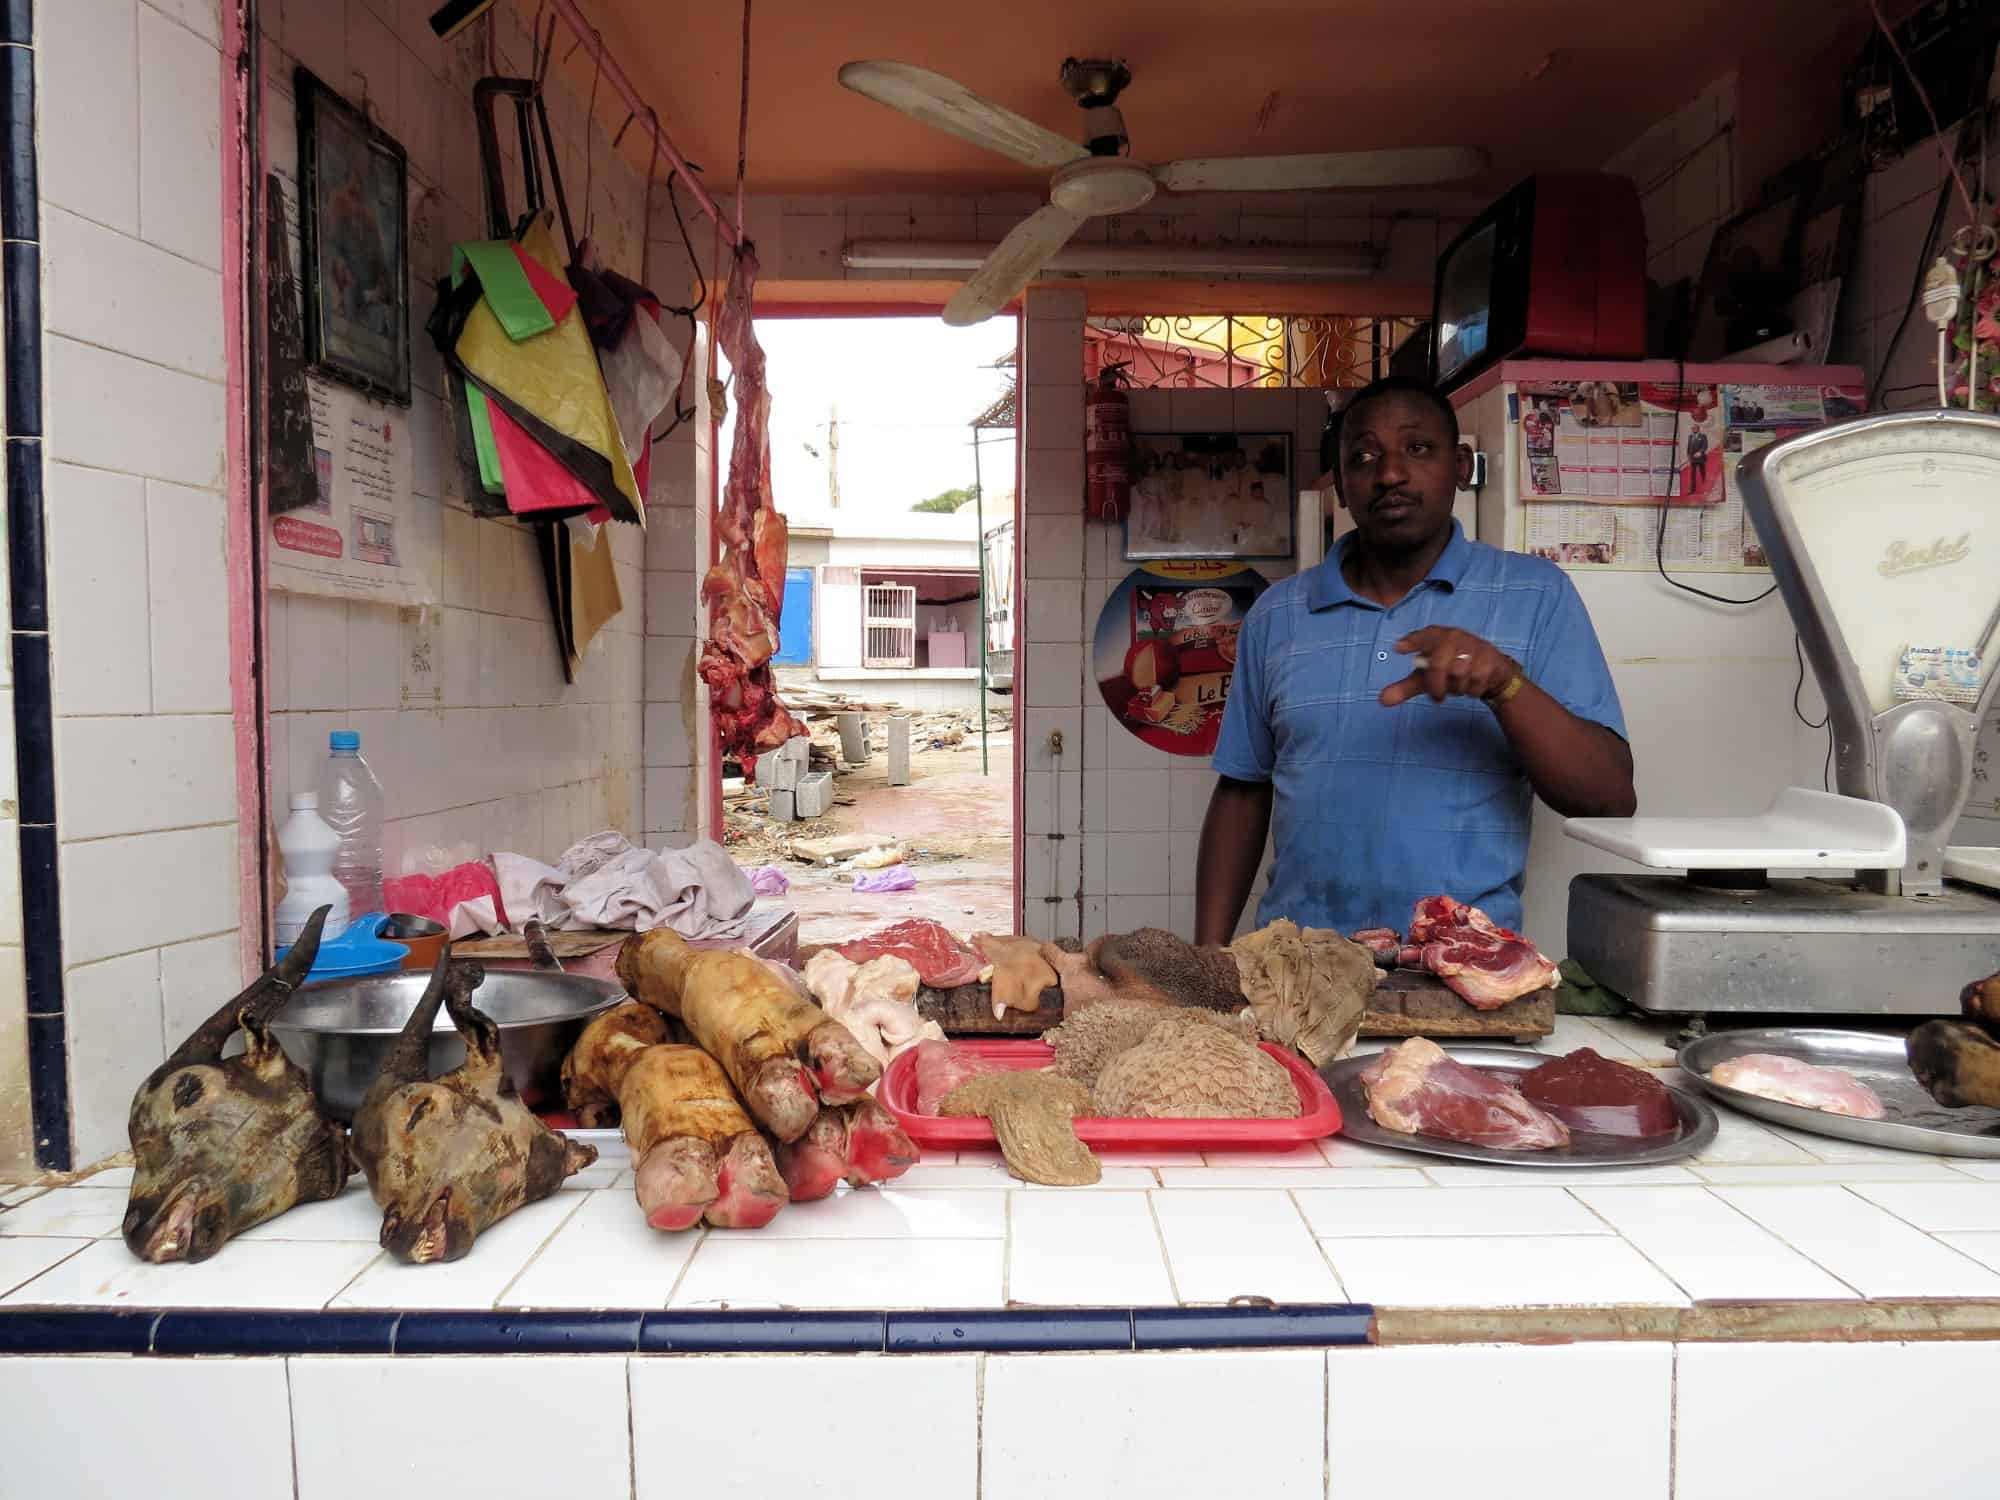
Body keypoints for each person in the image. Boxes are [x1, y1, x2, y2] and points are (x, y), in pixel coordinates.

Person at [1194, 375, 1636, 946]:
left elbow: (1609, 797)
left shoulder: (1536, 594)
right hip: (1300, 968)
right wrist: (1205, 963)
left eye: (1417, 449)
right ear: (1342, 488)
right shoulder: (1277, 616)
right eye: (1364, 456)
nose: (1390, 473)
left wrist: (1505, 685)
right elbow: (1242, 791)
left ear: (1458, 466)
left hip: (1464, 971)